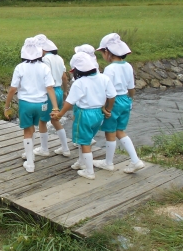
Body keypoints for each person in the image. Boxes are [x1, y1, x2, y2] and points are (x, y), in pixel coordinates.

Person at [51, 52, 117, 180]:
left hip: (84, 114)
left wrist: (59, 114)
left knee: (85, 142)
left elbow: (69, 102)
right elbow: (112, 95)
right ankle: (81, 162)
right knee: (86, 139)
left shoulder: (79, 83)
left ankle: (89, 171)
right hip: (98, 113)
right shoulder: (104, 78)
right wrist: (108, 108)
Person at [4, 37, 58, 173]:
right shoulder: (44, 67)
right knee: (36, 127)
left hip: (26, 103)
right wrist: (56, 107)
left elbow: (12, 89)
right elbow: (50, 88)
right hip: (42, 104)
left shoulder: (20, 67)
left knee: (27, 131)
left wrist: (7, 105)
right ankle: (31, 153)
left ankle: (30, 163)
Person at [94, 33, 145, 174]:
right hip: (125, 100)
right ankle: (135, 160)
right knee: (120, 131)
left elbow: (107, 90)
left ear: (108, 52)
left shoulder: (110, 69)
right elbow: (131, 88)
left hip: (113, 102)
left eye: (102, 53)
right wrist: (130, 100)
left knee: (110, 132)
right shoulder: (128, 66)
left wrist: (106, 107)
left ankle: (108, 162)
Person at [33, 34, 70, 157]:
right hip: (59, 90)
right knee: (55, 119)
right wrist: (65, 91)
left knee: (42, 121)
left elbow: (44, 78)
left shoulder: (44, 60)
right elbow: (64, 77)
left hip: (49, 93)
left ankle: (44, 148)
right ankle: (65, 148)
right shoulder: (59, 58)